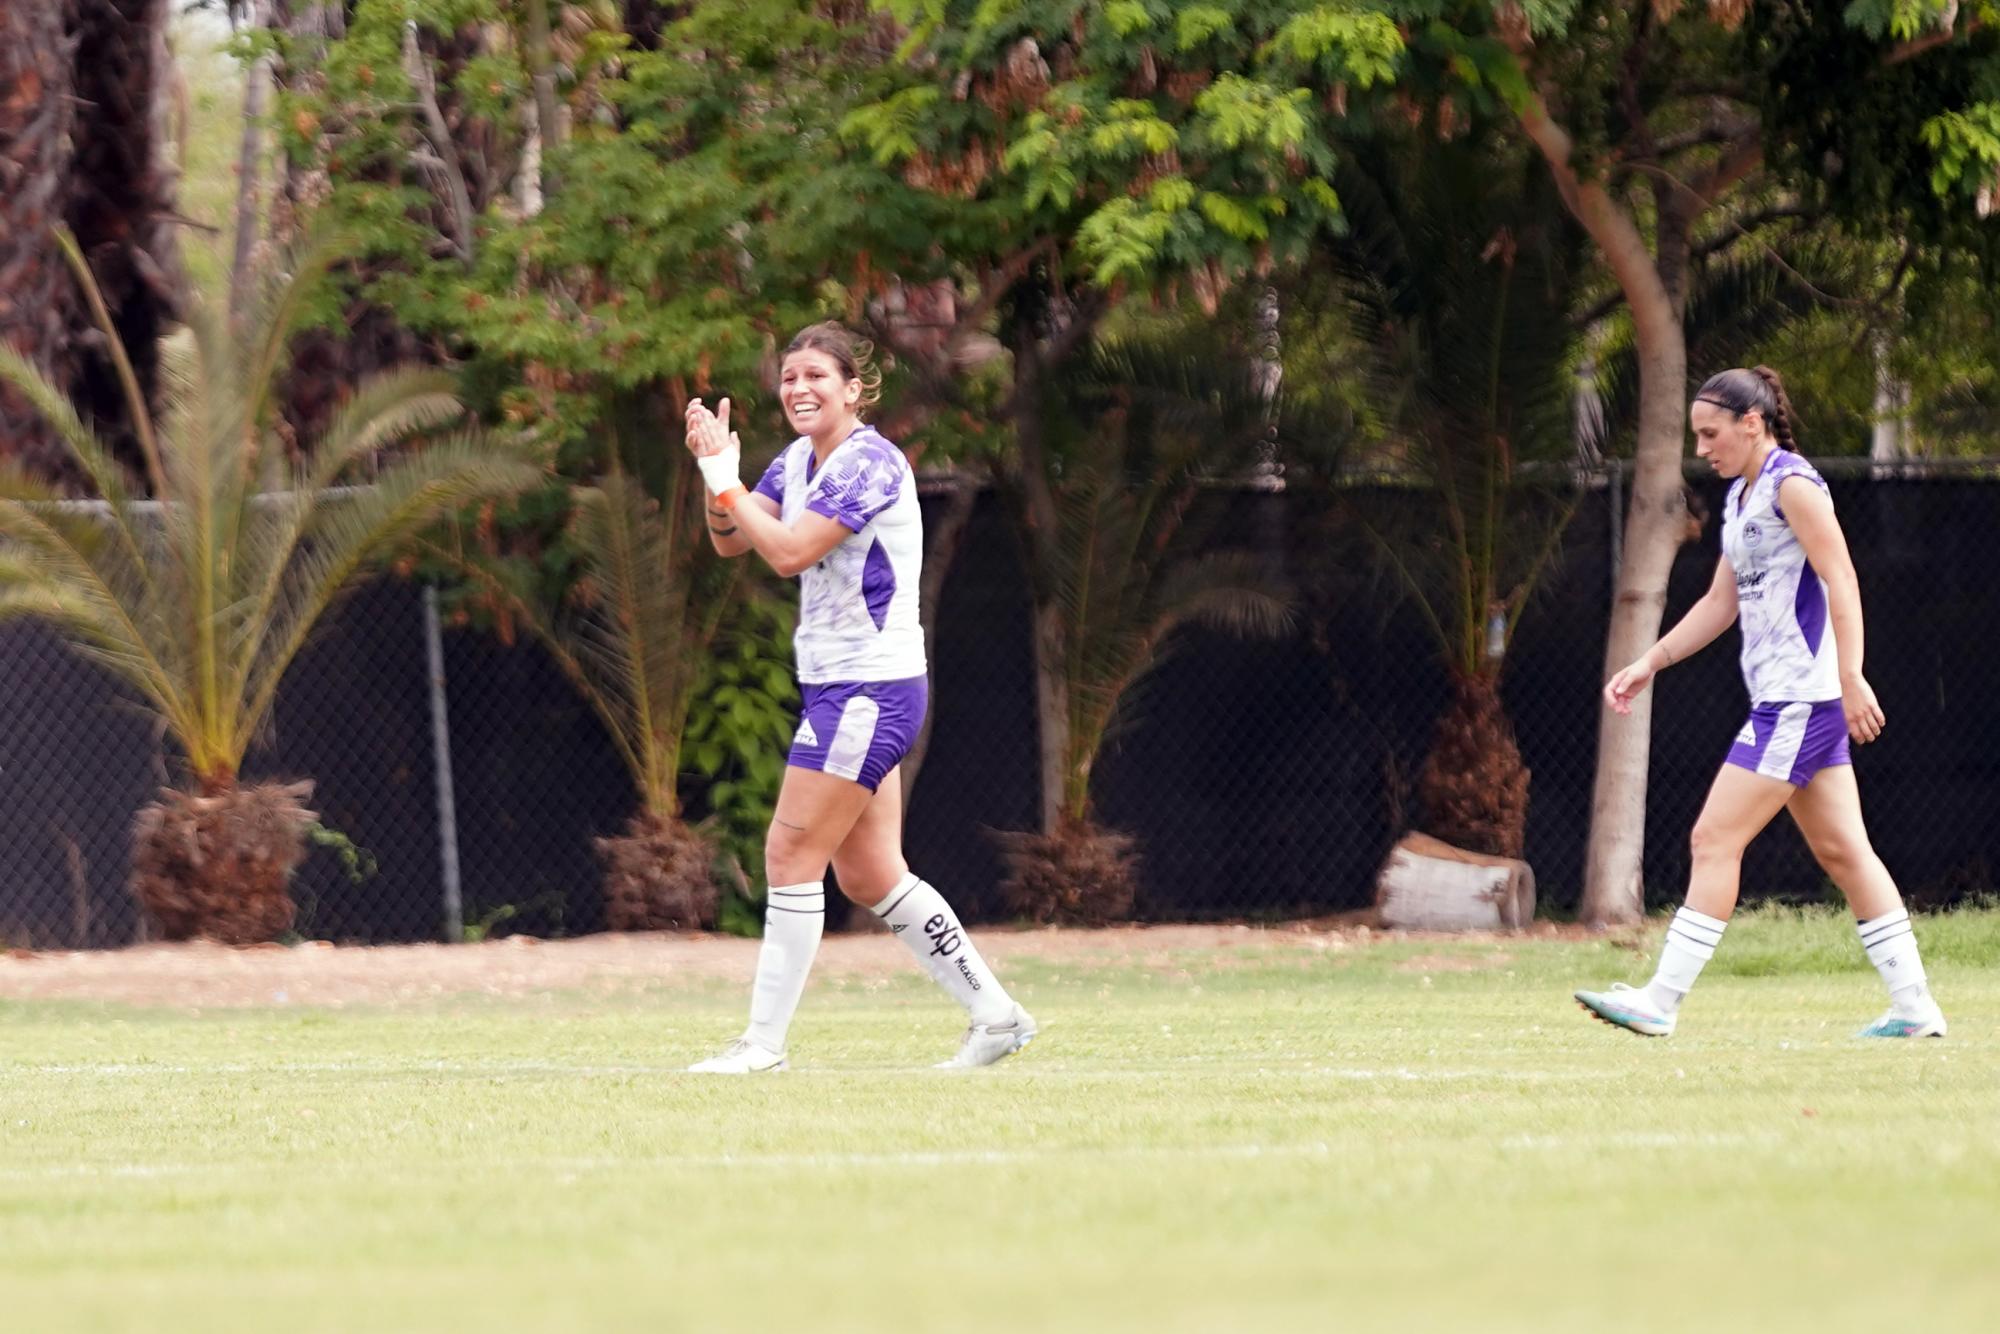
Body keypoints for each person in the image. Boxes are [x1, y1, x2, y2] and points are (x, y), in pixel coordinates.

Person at [681, 321, 1037, 1072]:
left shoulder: (868, 462)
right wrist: (723, 481)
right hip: (841, 687)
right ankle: (996, 1015)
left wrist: (723, 480)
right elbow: (733, 539)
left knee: (787, 852)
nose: (799, 388)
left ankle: (762, 1048)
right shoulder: (799, 460)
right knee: (870, 874)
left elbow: (784, 552)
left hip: (868, 688)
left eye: (815, 375)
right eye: (788, 377)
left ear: (853, 388)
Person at [1575, 366, 1946, 1039]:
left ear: (1754, 423)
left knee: (1713, 838)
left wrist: (1852, 674)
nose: (1703, 448)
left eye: (1711, 434)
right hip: (1795, 701)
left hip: (1798, 701)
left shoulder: (1793, 484)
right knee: (1845, 852)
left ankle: (1660, 1001)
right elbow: (1721, 603)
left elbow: (1841, 578)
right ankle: (1916, 1008)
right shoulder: (1743, 497)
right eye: (1696, 436)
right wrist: (1649, 662)